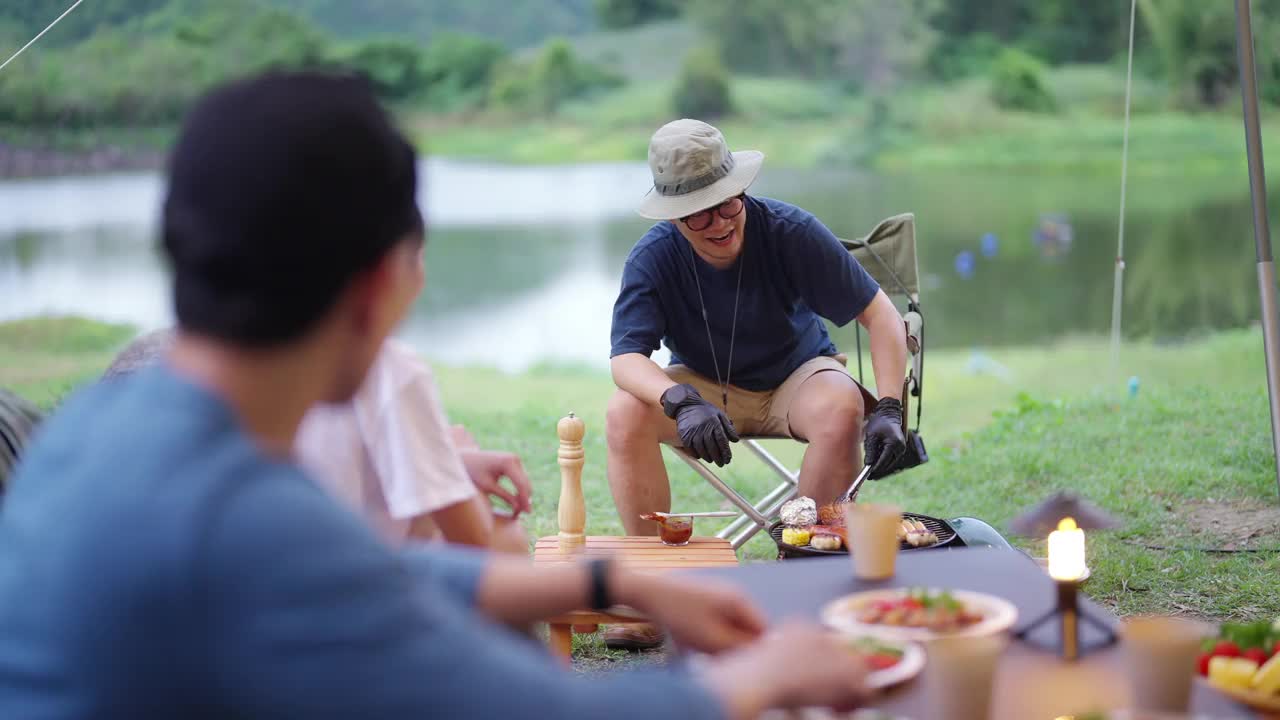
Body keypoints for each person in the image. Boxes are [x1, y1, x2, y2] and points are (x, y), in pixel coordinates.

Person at [0, 72, 870, 718]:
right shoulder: (246, 523)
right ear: (383, 281)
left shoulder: (98, 425)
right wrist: (753, 679)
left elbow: (371, 576)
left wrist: (611, 577)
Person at [605, 119, 909, 648]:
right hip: (701, 385)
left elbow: (882, 318)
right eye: (699, 214)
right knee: (623, 412)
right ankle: (652, 595)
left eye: (729, 202)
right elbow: (626, 358)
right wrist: (679, 401)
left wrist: (889, 407)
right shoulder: (653, 257)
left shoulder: (790, 231)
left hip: (797, 375)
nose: (721, 222)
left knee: (841, 407)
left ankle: (798, 586)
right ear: (675, 215)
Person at [105, 329, 531, 553]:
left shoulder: (186, 360)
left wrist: (445, 456)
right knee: (506, 539)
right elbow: (471, 540)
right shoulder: (385, 368)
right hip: (338, 604)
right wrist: (456, 458)